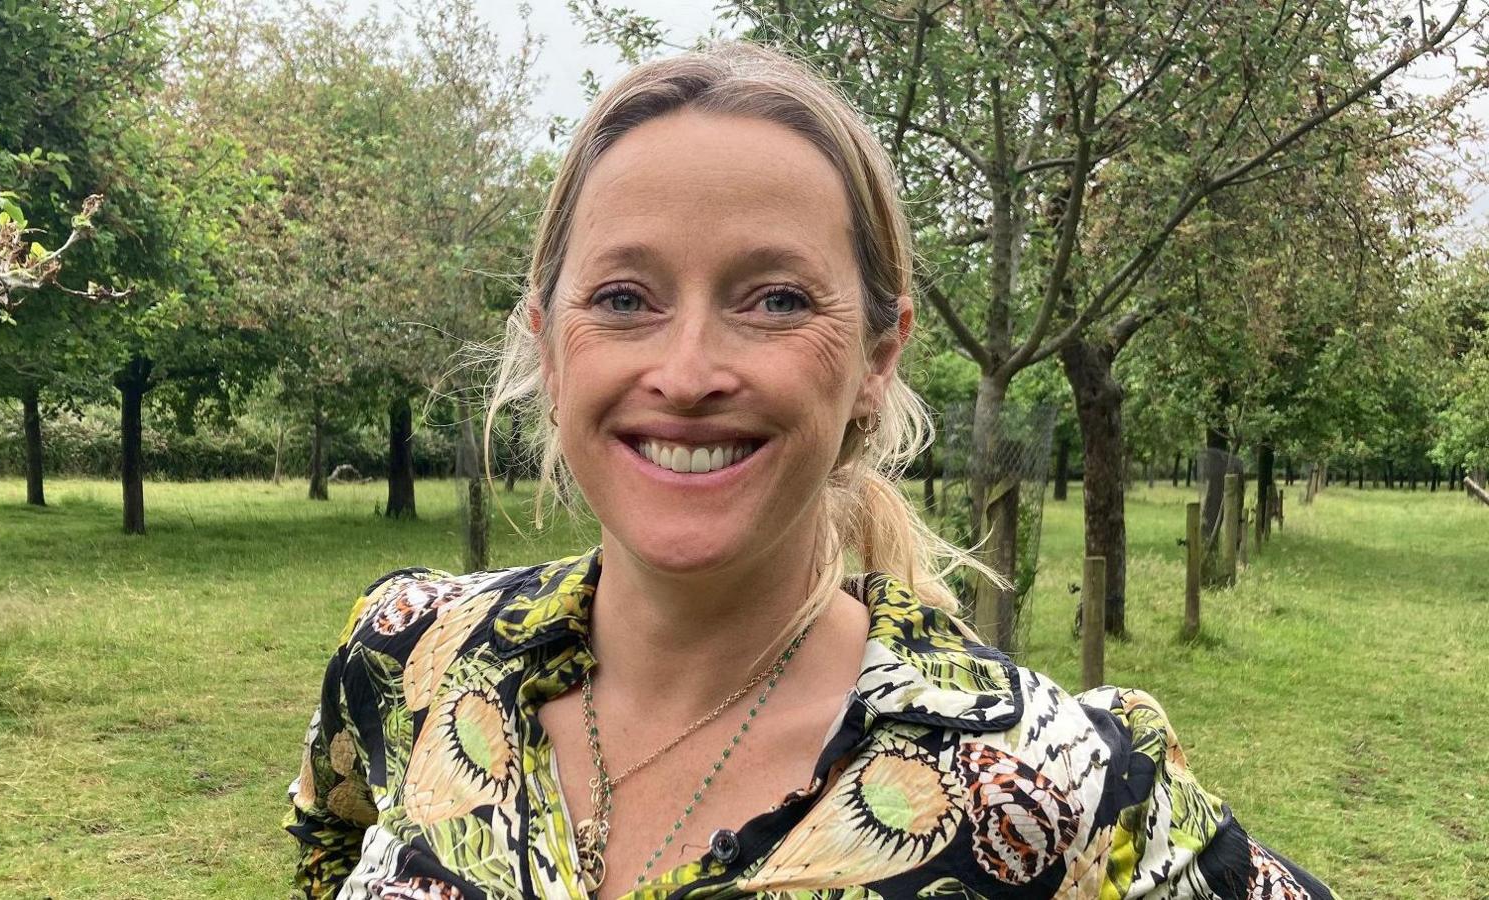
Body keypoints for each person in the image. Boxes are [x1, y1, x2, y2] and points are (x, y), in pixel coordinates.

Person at [285, 42, 1341, 900]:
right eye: (622, 299)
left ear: (878, 358)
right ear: (550, 344)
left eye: (777, 300)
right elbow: (324, 865)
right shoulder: (407, 653)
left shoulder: (1054, 781)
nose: (688, 371)